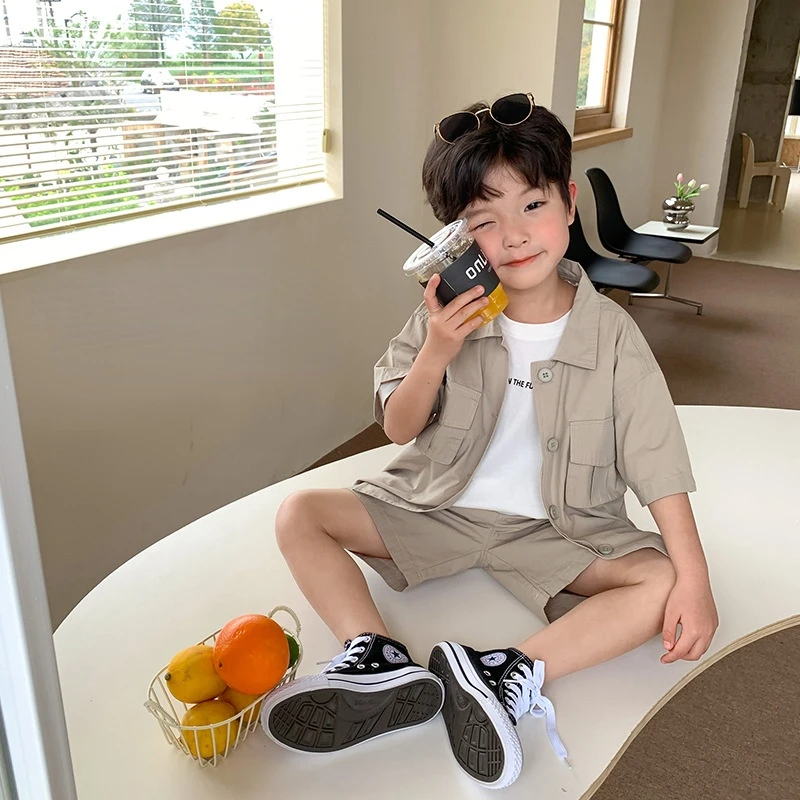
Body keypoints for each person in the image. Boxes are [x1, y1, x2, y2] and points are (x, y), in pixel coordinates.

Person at [261, 92, 719, 790]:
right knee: (300, 514)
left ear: (569, 203)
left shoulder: (613, 336)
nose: (514, 236)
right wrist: (437, 350)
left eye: (532, 205)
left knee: (661, 582)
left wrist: (696, 579)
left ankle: (503, 671)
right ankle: (377, 656)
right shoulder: (447, 316)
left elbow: (656, 460)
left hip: (557, 530)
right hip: (437, 509)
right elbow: (398, 427)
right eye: (483, 221)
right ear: (457, 239)